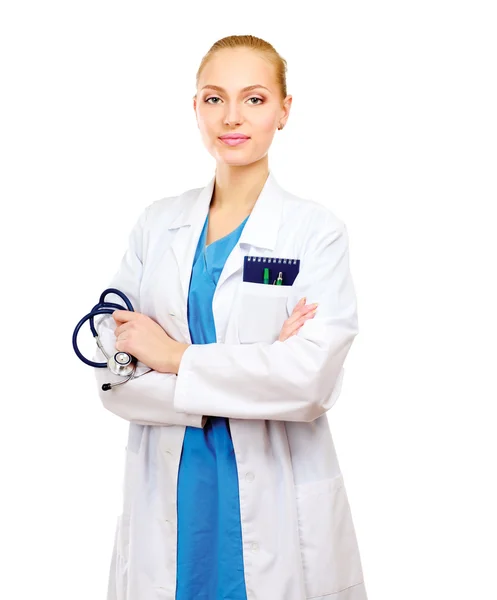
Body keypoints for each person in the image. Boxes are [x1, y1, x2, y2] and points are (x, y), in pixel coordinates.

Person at [93, 34, 368, 600]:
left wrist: (172, 358)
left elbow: (309, 382)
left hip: (274, 490)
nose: (232, 117)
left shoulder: (314, 232)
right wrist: (259, 366)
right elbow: (112, 377)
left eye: (255, 99)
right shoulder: (156, 225)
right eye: (214, 98)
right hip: (171, 490)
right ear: (194, 107)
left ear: (284, 111)